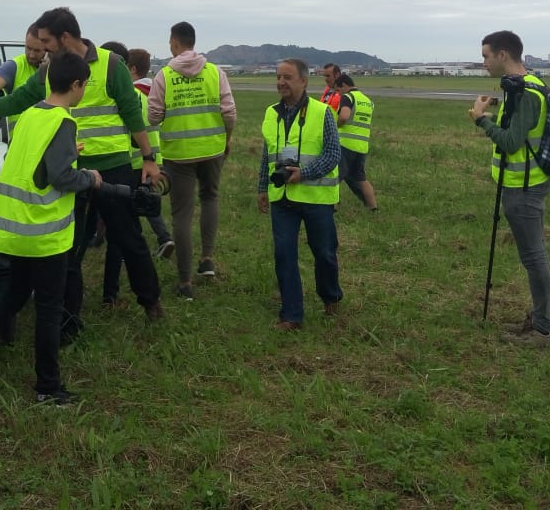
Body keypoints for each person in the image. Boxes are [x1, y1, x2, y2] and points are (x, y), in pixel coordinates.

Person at [0, 7, 165, 336]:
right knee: (67, 250)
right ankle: (67, 321)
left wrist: (148, 157)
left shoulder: (111, 65)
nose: (42, 48)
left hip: (113, 168)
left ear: (64, 37)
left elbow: (133, 113)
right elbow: (15, 102)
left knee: (128, 239)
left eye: (46, 41)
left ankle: (151, 303)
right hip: (70, 172)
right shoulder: (49, 71)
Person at [0, 51, 104, 404]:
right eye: (84, 86)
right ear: (76, 85)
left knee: (11, 298)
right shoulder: (64, 120)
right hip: (43, 235)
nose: (83, 91)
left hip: (10, 230)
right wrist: (89, 178)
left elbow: (36, 164)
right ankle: (48, 387)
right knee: (48, 309)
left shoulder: (30, 115)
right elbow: (60, 177)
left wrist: (65, 154)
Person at [469, 30, 550, 348]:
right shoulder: (522, 87)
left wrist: (481, 121)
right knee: (535, 255)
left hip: (524, 187)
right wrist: (493, 116)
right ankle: (539, 319)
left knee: (534, 257)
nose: (484, 63)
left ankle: (543, 330)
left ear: (503, 55)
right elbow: (518, 130)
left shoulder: (527, 93)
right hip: (522, 184)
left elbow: (510, 141)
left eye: (485, 56)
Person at [148, 22, 236, 299]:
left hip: (178, 154)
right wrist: (226, 140)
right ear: (194, 42)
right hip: (212, 149)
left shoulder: (164, 75)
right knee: (210, 198)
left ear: (174, 43)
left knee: (181, 215)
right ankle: (207, 260)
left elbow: (153, 116)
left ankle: (185, 282)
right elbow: (229, 113)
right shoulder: (215, 72)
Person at [257, 59, 343, 331]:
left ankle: (331, 297)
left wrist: (303, 173)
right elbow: (267, 153)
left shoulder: (322, 112)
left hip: (316, 199)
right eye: (278, 76)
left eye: (288, 77)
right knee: (284, 254)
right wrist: (262, 187)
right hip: (282, 198)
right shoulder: (271, 113)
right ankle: (291, 315)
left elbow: (332, 154)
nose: (281, 82)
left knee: (324, 253)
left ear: (304, 81)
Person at [99, 42, 173, 307]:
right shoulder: (143, 96)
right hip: (142, 166)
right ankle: (128, 295)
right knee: (128, 233)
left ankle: (110, 293)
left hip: (120, 167)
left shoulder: (118, 96)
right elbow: (153, 128)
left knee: (117, 237)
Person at [334, 73, 378, 212]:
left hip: (346, 144)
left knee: (334, 177)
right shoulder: (367, 101)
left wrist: (336, 125)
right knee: (361, 179)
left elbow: (344, 116)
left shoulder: (348, 97)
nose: (338, 93)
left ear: (344, 85)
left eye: (338, 90)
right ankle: (373, 208)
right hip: (362, 147)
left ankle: (331, 207)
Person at [0, 25, 46, 102]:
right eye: (28, 48)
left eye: (37, 51)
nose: (31, 55)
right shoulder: (14, 66)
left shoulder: (58, 70)